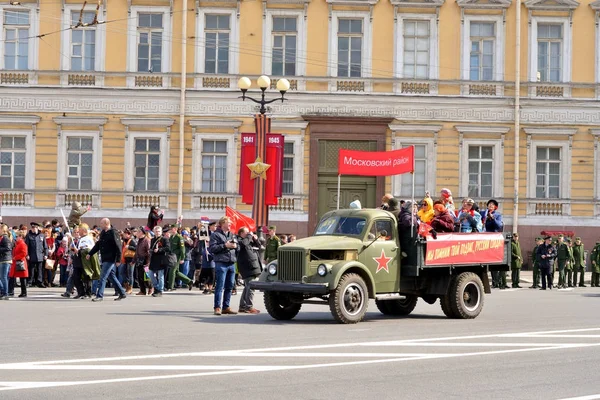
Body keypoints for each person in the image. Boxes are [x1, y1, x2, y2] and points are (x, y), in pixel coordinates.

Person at [86, 218, 127, 302]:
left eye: (101, 223)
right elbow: (98, 244)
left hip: (111, 258)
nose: (100, 225)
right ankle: (122, 293)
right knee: (111, 277)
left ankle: (99, 295)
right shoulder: (103, 232)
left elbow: (118, 246)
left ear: (106, 223)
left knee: (102, 277)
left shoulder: (113, 232)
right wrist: (90, 253)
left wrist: (118, 259)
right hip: (105, 258)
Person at [209, 216, 238, 315]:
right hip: (221, 263)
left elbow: (237, 248)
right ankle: (217, 307)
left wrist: (235, 246)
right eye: (228, 222)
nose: (230, 224)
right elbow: (212, 248)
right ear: (222, 223)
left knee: (230, 286)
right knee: (220, 286)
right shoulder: (215, 235)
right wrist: (225, 245)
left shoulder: (232, 234)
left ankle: (226, 306)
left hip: (231, 263)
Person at [236, 226, 262, 314]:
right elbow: (243, 244)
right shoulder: (239, 240)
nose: (249, 234)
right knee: (251, 287)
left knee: (247, 286)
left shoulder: (248, 240)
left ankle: (243, 306)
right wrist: (249, 236)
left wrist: (255, 239)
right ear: (241, 234)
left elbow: (259, 246)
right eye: (246, 233)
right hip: (247, 267)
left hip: (253, 266)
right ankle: (249, 306)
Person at [166, 225, 193, 291]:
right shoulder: (172, 237)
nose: (170, 230)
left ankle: (170, 287)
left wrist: (182, 258)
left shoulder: (179, 237)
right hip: (172, 256)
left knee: (172, 271)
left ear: (175, 229)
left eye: (171, 229)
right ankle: (189, 281)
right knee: (176, 272)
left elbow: (182, 249)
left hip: (177, 257)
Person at [25, 222, 48, 287]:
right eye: (32, 227)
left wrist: (46, 255)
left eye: (35, 227)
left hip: (40, 255)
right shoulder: (28, 235)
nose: (33, 229)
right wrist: (27, 255)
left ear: (37, 228)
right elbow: (26, 246)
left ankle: (40, 282)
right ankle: (30, 282)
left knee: (40, 270)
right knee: (31, 270)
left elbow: (45, 246)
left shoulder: (41, 235)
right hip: (31, 255)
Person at [149, 225, 169, 297]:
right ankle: (156, 287)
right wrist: (151, 250)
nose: (157, 233)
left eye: (159, 231)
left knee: (160, 276)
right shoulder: (152, 240)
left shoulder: (164, 239)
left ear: (161, 232)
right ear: (154, 232)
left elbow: (167, 248)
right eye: (156, 231)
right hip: (154, 259)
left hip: (161, 259)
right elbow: (151, 248)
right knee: (150, 274)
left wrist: (159, 250)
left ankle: (160, 290)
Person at [134, 226, 153, 296]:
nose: (136, 233)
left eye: (138, 232)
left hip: (145, 261)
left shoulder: (147, 240)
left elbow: (149, 252)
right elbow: (136, 252)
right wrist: (133, 261)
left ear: (141, 232)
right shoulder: (139, 240)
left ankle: (150, 287)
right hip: (139, 260)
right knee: (139, 276)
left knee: (146, 276)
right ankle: (142, 291)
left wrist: (148, 263)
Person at [9, 230, 28, 298]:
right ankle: (11, 291)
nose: (15, 238)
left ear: (21, 237)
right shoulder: (17, 244)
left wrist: (15, 257)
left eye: (17, 236)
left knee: (22, 278)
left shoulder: (22, 244)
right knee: (12, 277)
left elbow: (24, 253)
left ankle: (24, 292)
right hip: (16, 262)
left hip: (20, 262)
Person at [0, 225, 13, 300]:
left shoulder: (5, 238)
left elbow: (8, 248)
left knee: (4, 277)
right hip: (2, 259)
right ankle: (2, 291)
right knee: (2, 277)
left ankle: (5, 293)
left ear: (3, 230)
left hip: (5, 259)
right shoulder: (2, 238)